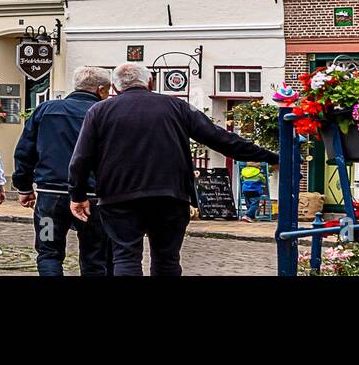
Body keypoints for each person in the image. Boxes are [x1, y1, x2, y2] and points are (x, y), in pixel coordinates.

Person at [69, 62, 278, 276]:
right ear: (150, 83)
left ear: (114, 88)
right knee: (166, 259)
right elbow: (221, 139)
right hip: (170, 194)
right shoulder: (176, 106)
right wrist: (270, 157)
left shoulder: (100, 111)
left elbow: (82, 158)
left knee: (125, 256)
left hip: (119, 195)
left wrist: (77, 195)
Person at [12, 65, 113, 276]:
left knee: (49, 252)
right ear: (101, 90)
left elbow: (25, 150)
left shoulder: (46, 110)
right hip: (92, 197)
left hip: (51, 198)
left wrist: (23, 187)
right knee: (95, 255)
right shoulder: (106, 113)